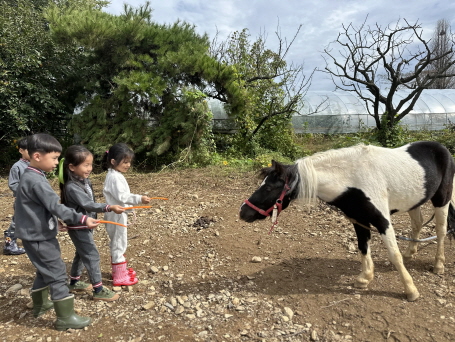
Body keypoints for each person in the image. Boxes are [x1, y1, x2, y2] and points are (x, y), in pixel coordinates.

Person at [14, 133, 99, 331]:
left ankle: (41, 304)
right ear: (37, 156)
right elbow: (55, 206)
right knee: (58, 272)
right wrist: (83, 218)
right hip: (39, 238)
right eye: (53, 158)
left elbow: (34, 209)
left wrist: (52, 223)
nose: (56, 163)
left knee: (45, 271)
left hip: (35, 234)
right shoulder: (36, 180)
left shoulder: (31, 176)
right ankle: (65, 317)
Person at [59, 145, 125, 301]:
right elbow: (88, 204)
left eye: (91, 164)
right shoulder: (71, 187)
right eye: (85, 165)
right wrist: (109, 207)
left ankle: (74, 282)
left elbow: (89, 203)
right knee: (92, 255)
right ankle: (98, 290)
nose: (89, 168)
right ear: (72, 167)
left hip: (85, 224)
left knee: (81, 254)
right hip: (79, 225)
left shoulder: (84, 180)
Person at [103, 143, 150, 286]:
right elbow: (123, 196)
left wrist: (129, 209)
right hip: (116, 215)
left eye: (129, 162)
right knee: (118, 243)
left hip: (117, 213)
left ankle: (120, 270)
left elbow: (121, 197)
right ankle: (119, 276)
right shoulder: (114, 178)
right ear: (113, 162)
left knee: (119, 242)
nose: (128, 165)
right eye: (125, 162)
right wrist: (139, 199)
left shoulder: (115, 175)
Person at [3, 137, 29, 255]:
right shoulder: (17, 166)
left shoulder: (35, 166)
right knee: (17, 222)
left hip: (33, 200)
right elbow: (13, 184)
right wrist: (25, 192)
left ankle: (29, 240)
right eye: (29, 150)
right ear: (21, 151)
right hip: (22, 200)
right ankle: (9, 244)